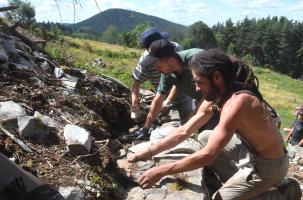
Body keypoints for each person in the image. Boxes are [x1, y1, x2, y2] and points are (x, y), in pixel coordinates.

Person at [128, 49, 289, 199]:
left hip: (269, 166)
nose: (197, 89)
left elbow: (208, 155)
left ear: (217, 77)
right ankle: (244, 184)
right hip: (249, 151)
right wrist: (148, 151)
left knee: (218, 198)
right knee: (205, 136)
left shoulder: (238, 102)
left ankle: (279, 193)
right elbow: (185, 130)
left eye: (199, 82)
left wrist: (161, 171)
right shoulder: (219, 94)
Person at [130, 39, 218, 140]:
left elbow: (212, 93)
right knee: (197, 131)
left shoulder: (196, 59)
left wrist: (189, 121)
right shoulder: (167, 73)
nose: (157, 70)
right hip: (200, 100)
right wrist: (146, 127)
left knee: (211, 136)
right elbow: (158, 99)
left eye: (159, 66)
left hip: (220, 101)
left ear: (170, 61)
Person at [131, 27, 182, 120]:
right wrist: (135, 106)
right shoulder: (145, 63)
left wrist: (168, 101)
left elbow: (181, 78)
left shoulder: (176, 49)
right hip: (162, 98)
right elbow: (136, 85)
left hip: (182, 96)